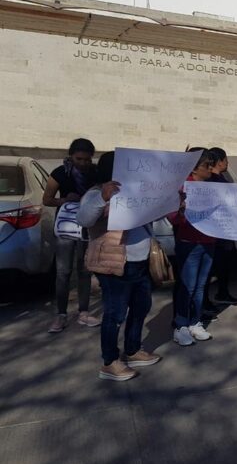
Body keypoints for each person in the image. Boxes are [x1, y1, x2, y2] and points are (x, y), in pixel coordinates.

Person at [77, 152, 160, 381]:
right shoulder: (95, 193)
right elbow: (83, 220)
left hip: (139, 261)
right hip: (114, 264)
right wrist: (102, 198)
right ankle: (110, 362)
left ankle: (132, 350)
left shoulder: (136, 191)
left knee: (141, 306)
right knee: (114, 313)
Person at [43, 138, 99, 333]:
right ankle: (61, 314)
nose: (83, 163)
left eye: (87, 159)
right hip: (66, 227)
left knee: (85, 270)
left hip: (87, 227)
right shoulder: (60, 173)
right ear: (71, 156)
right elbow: (47, 200)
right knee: (63, 272)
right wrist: (65, 200)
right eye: (79, 158)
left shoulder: (96, 172)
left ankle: (83, 312)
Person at [168, 149, 216, 345]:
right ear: (195, 168)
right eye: (208, 166)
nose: (211, 170)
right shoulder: (182, 188)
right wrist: (180, 210)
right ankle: (181, 326)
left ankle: (195, 322)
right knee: (187, 286)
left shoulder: (212, 187)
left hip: (209, 242)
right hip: (189, 243)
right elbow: (172, 217)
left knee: (200, 286)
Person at [204, 147, 237, 309]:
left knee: (225, 264)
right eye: (225, 160)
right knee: (210, 268)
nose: (227, 163)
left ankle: (222, 293)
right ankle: (205, 302)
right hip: (215, 232)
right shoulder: (210, 181)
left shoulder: (221, 178)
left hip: (226, 229)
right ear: (219, 162)